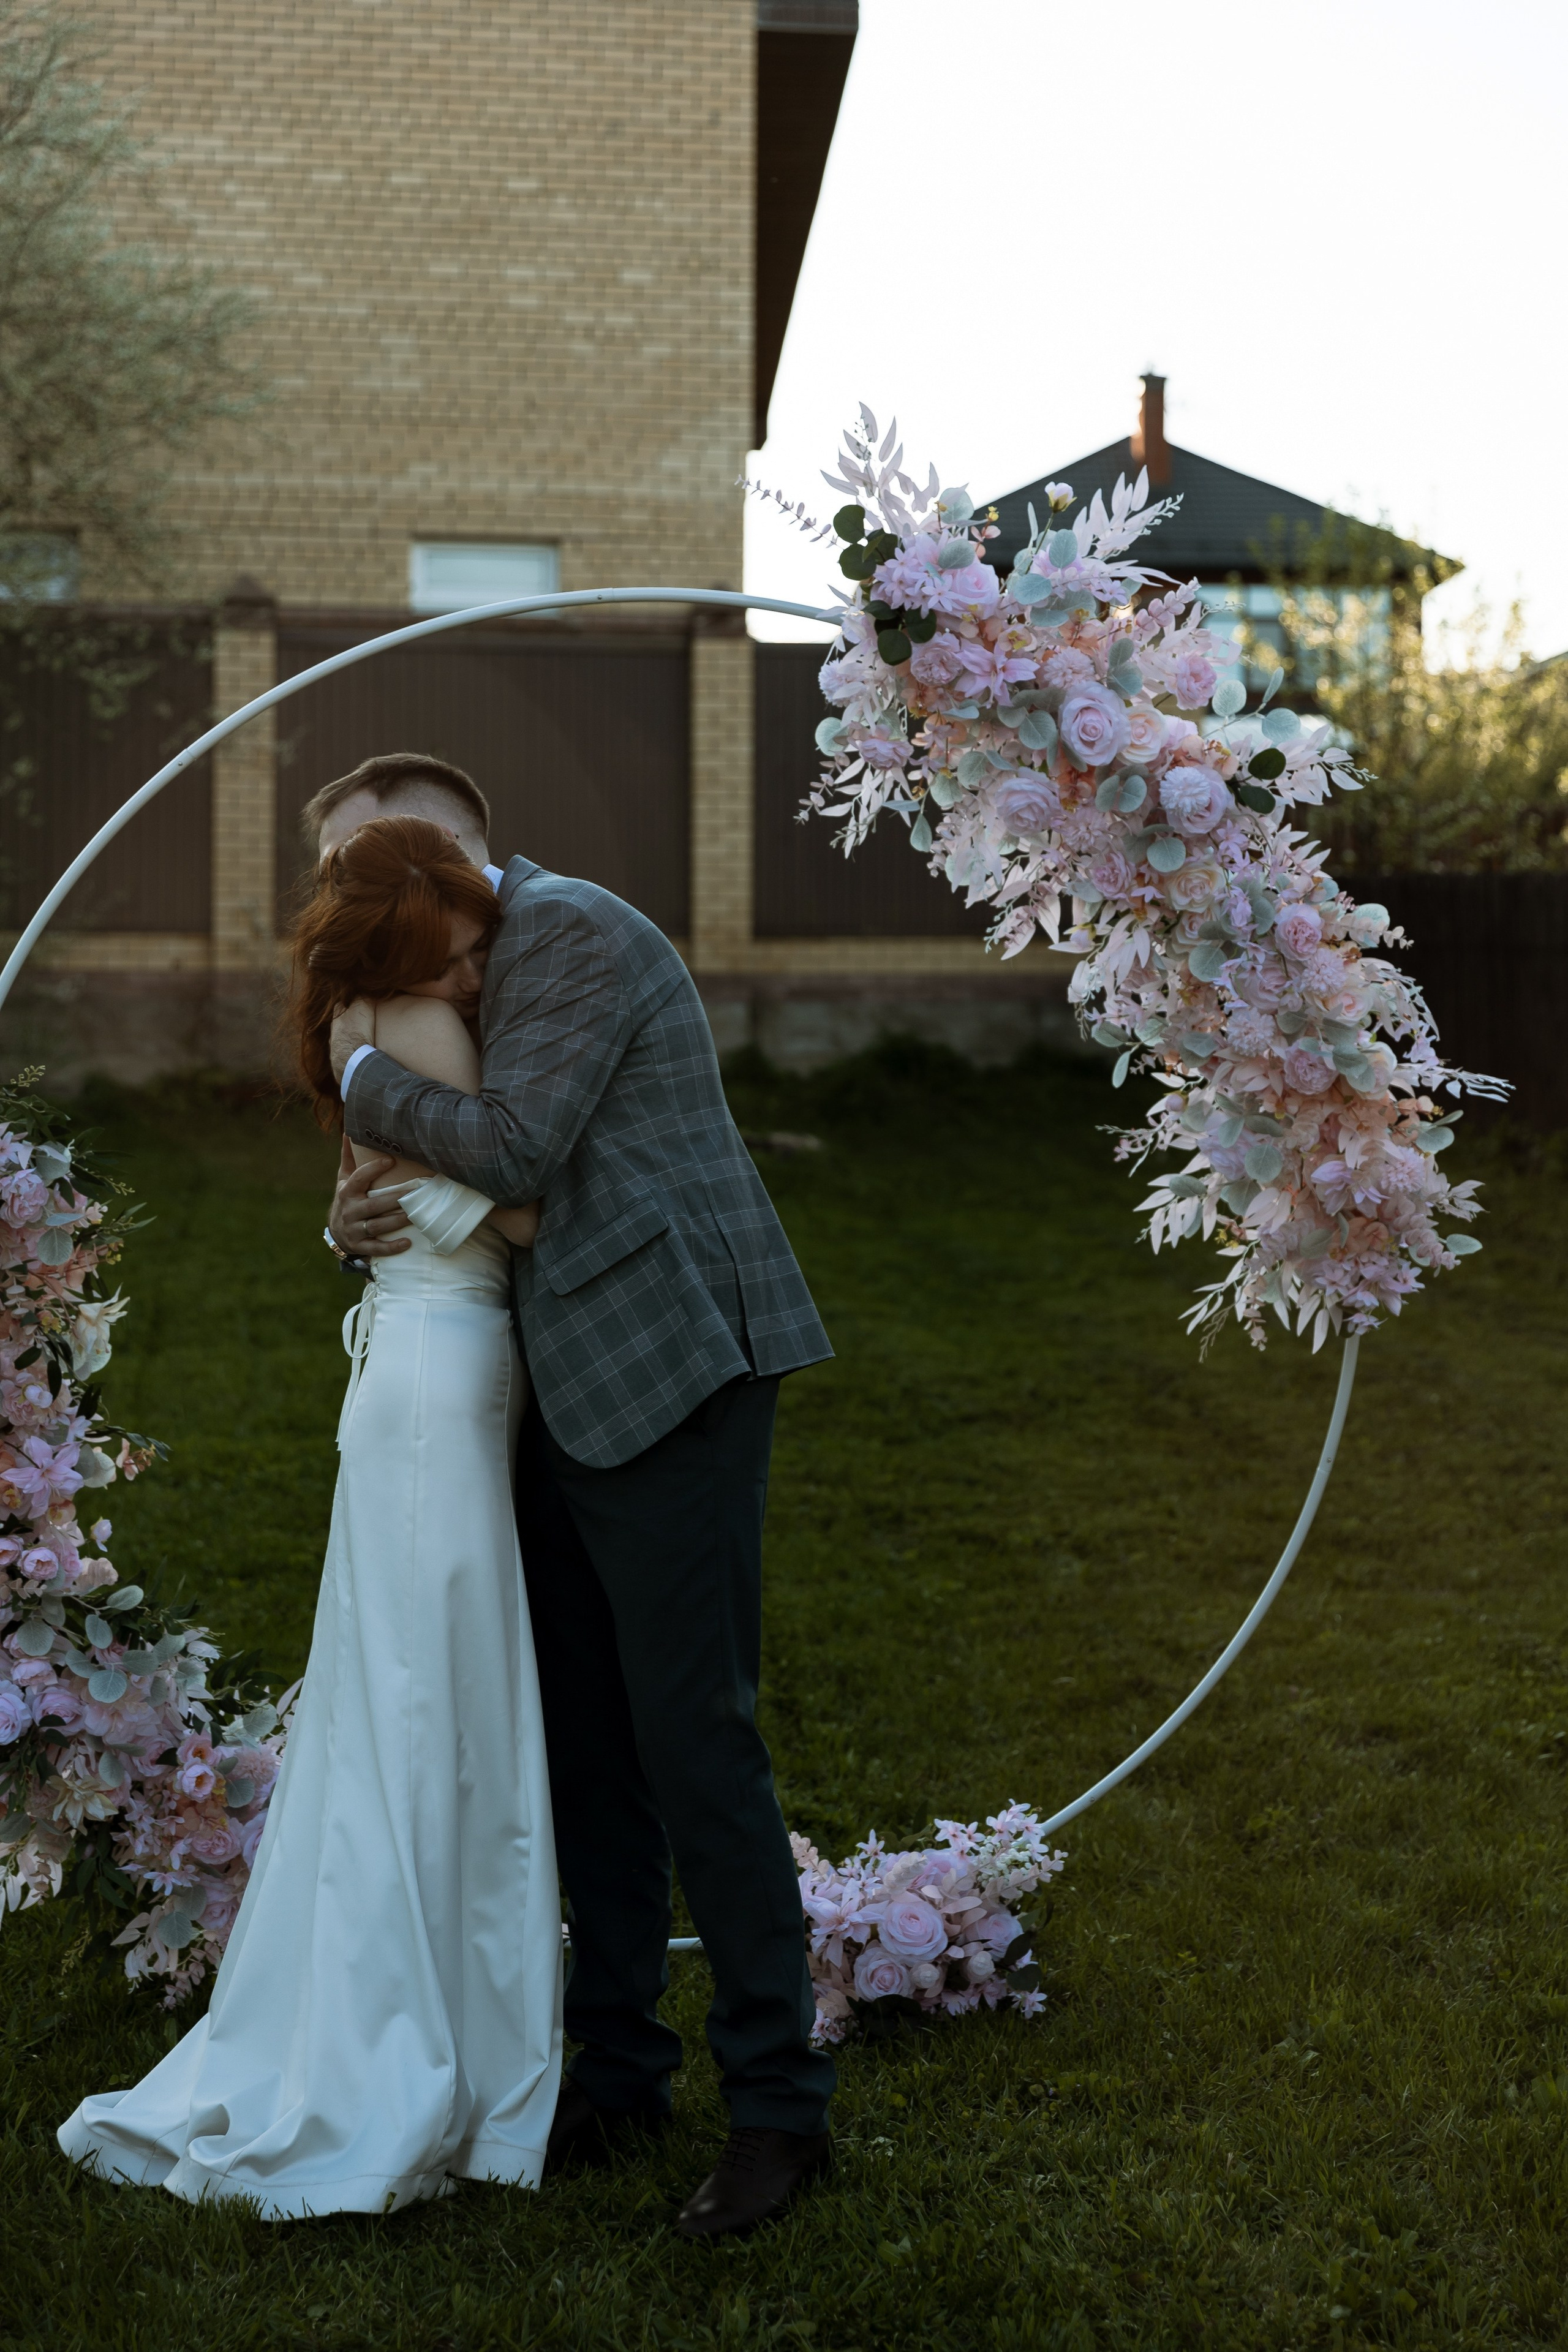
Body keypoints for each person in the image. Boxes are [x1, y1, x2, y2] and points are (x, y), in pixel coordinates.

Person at [319, 752, 837, 2239]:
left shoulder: (573, 935)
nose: (362, 906)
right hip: (546, 1383)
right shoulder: (462, 967)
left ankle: (778, 2117)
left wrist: (355, 1076)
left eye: (384, 868)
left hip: (670, 1363)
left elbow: (515, 1148)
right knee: (589, 1750)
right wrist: (356, 1215)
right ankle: (620, 2075)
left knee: (696, 1746)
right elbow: (440, 1180)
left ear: (463, 850)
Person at [58, 818, 564, 2216]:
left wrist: (363, 1216)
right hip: (437, 1374)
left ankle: (405, 2022)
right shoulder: (404, 1017)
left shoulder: (356, 1014)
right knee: (421, 1708)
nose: (473, 978)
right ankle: (395, 2054)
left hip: (414, 1364)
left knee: (403, 1694)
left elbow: (384, 1197)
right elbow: (511, 1204)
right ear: (403, 946)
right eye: (458, 952)